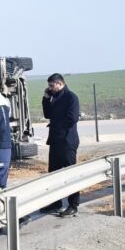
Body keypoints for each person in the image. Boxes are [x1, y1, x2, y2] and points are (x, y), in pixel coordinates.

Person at [43, 73, 82, 216]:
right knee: (53, 174)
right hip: (55, 141)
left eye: (52, 86)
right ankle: (55, 203)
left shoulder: (71, 97)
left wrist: (57, 127)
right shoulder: (54, 97)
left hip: (67, 141)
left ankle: (73, 205)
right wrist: (46, 99)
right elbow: (48, 114)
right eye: (49, 86)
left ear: (60, 84)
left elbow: (72, 118)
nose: (50, 89)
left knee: (70, 173)